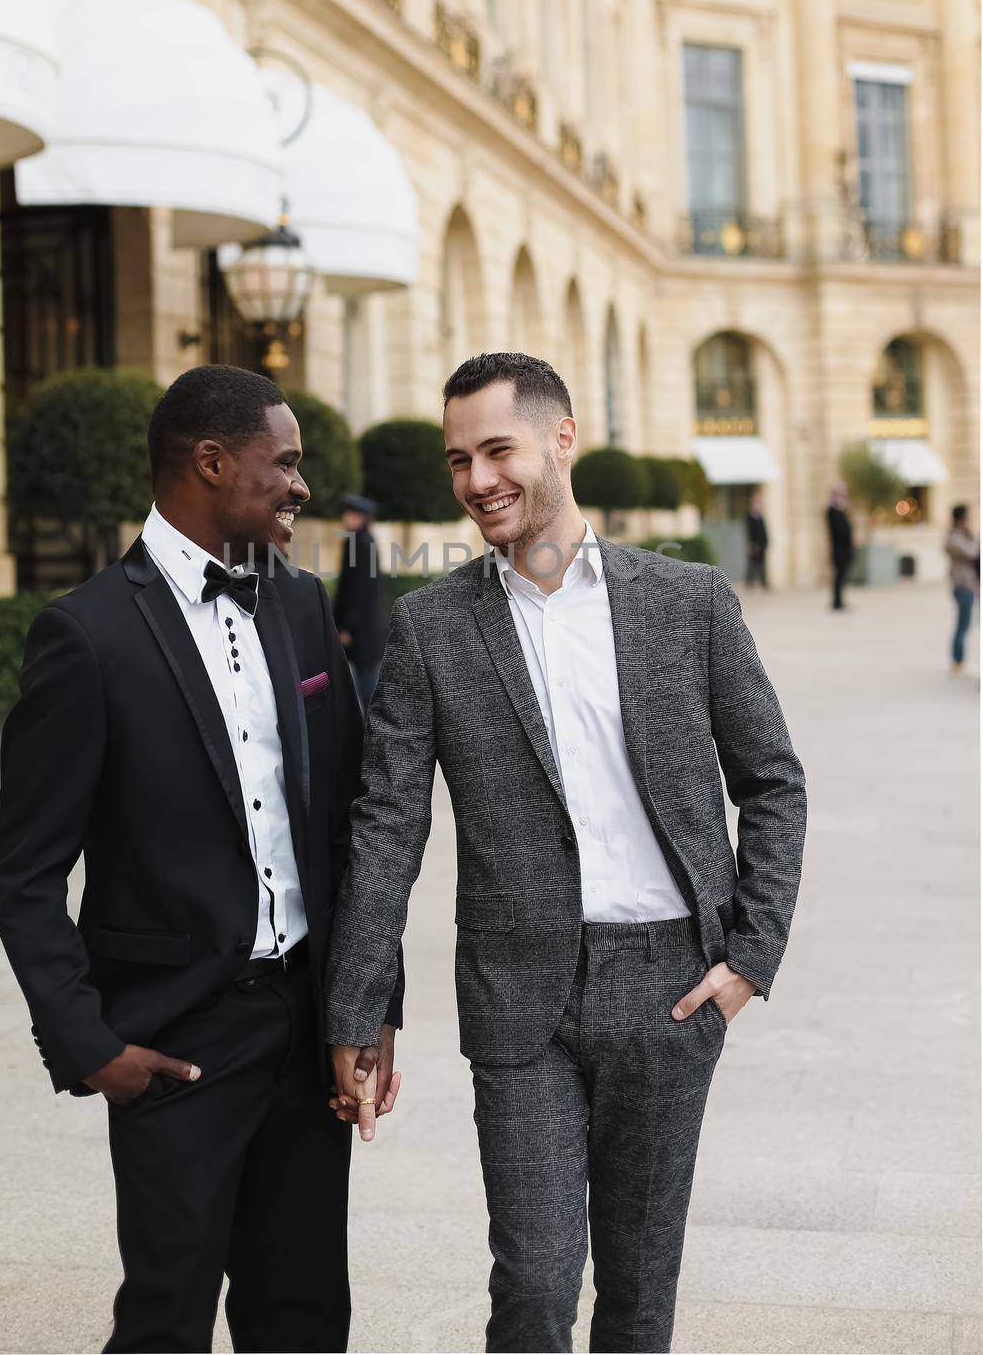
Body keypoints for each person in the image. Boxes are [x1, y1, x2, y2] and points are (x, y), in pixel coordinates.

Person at [325, 352, 807, 1355]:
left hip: (669, 983)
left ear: (560, 438)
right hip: (516, 997)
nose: (475, 480)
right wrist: (359, 1005)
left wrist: (748, 958)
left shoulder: (687, 601)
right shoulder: (430, 626)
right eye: (458, 459)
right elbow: (386, 826)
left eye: (495, 448)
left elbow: (770, 779)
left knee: (637, 1289)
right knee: (536, 1286)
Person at [0, 364, 402, 1355]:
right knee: (166, 1317)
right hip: (176, 1041)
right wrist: (87, 1042)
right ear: (211, 462)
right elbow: (26, 871)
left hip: (306, 1031)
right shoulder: (84, 634)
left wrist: (370, 1006)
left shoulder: (302, 605)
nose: (301, 485)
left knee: (303, 1314)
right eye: (286, 463)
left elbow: (354, 824)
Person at [333, 492, 385, 709]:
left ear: (362, 517)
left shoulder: (360, 545)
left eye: (351, 513)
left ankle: (374, 731)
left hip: (361, 629)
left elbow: (357, 589)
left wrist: (346, 626)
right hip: (363, 628)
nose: (346, 517)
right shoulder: (361, 541)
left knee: (367, 685)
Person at [944, 503, 979, 673]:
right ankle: (957, 660)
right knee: (963, 624)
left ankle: (959, 660)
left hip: (968, 584)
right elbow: (972, 552)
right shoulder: (954, 537)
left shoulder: (962, 535)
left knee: (964, 624)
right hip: (962, 584)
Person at [826, 481, 855, 611]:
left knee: (842, 576)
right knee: (838, 576)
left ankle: (840, 600)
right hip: (839, 550)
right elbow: (839, 529)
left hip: (845, 549)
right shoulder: (832, 510)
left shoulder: (841, 510)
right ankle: (837, 602)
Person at [745, 491, 769, 587]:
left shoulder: (761, 516)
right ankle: (749, 582)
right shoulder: (750, 516)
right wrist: (751, 543)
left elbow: (764, 531)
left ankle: (763, 582)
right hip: (754, 544)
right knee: (752, 564)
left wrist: (766, 542)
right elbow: (749, 531)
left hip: (762, 543)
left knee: (762, 564)